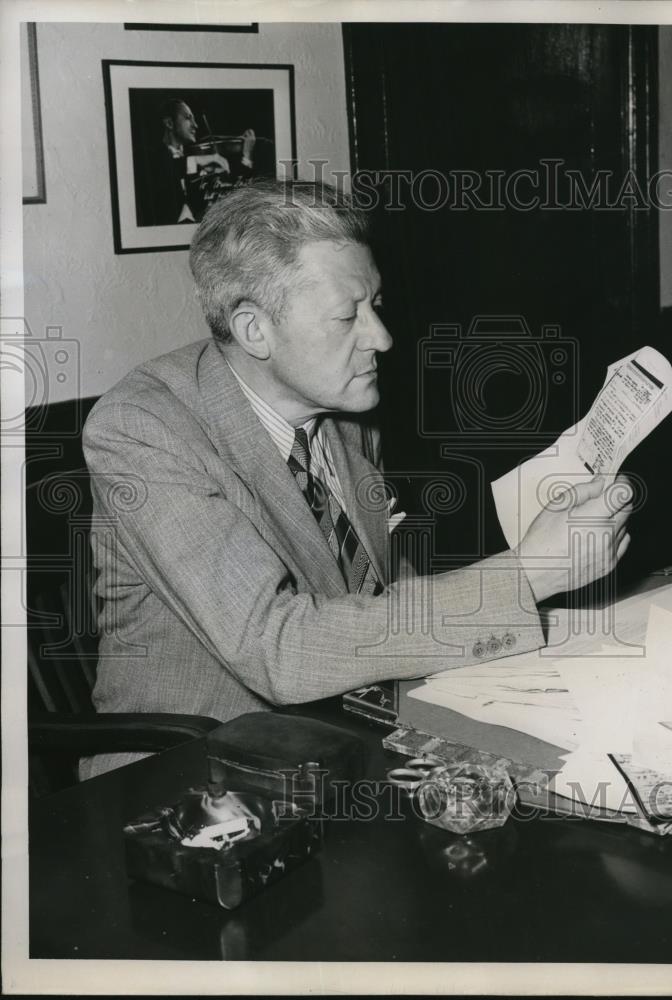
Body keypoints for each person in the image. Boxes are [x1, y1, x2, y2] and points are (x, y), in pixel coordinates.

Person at [81, 180, 632, 778]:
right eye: (349, 316)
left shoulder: (338, 406)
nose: (382, 338)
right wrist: (529, 574)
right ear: (253, 330)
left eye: (376, 305)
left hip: (337, 741)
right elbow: (279, 650)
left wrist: (528, 622)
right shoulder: (143, 428)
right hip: (185, 777)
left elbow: (382, 585)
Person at [134, 97, 258, 226]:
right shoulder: (147, 157)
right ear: (169, 123)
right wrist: (200, 160)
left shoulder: (196, 156)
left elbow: (235, 188)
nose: (196, 125)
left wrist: (247, 156)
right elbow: (168, 171)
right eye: (188, 118)